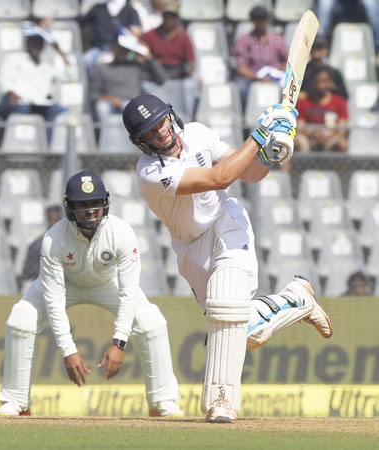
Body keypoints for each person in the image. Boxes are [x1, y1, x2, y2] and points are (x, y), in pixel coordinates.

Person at [121, 94, 333, 423]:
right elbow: (218, 177)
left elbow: (248, 174)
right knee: (240, 332)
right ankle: (295, 299)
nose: (160, 132)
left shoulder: (197, 133)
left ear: (170, 115)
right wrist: (260, 134)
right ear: (140, 142)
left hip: (225, 222)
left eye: (161, 122)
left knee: (226, 306)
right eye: (149, 132)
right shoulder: (150, 172)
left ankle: (222, 401)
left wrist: (271, 151)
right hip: (190, 247)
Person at [0, 171, 184, 418]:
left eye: (95, 203)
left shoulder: (122, 233)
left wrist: (119, 342)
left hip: (107, 282)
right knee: (20, 319)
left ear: (104, 203)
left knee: (152, 321)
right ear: (69, 206)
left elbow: (129, 292)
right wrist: (68, 350)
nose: (90, 210)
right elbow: (54, 300)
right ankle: (17, 402)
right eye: (82, 204)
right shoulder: (54, 239)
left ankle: (163, 401)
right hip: (64, 283)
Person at [0, 24, 74, 125]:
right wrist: (11, 93)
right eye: (33, 42)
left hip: (37, 105)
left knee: (57, 111)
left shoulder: (47, 66)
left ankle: (45, 141)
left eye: (39, 43)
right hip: (12, 102)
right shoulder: (13, 58)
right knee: (22, 109)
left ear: (43, 46)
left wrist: (61, 53)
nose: (35, 46)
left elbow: (71, 77)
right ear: (27, 43)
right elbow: (4, 82)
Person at [90, 32, 165, 124]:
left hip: (133, 105)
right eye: (120, 47)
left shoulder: (136, 67)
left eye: (125, 48)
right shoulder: (102, 68)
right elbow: (93, 95)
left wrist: (149, 57)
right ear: (113, 47)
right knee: (102, 107)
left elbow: (161, 80)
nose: (122, 51)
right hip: (111, 105)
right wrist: (110, 99)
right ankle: (105, 137)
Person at [139, 1, 196, 116]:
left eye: (172, 16)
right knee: (144, 85)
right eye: (166, 16)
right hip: (155, 75)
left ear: (177, 18)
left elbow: (191, 61)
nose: (169, 19)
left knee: (190, 85)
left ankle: (188, 117)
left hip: (177, 75)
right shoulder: (150, 35)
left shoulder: (183, 36)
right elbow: (139, 56)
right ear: (162, 16)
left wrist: (186, 73)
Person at [231, 6, 288, 106]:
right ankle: (246, 113)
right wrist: (260, 78)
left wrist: (281, 74)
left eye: (264, 20)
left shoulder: (277, 38)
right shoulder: (244, 40)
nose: (262, 24)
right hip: (254, 76)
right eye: (259, 21)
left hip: (276, 74)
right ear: (253, 21)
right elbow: (241, 68)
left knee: (289, 85)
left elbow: (286, 60)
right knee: (241, 86)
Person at [296, 66, 349, 153]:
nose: (320, 85)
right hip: (308, 138)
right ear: (312, 83)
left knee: (342, 145)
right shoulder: (303, 102)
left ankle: (341, 167)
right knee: (292, 143)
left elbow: (342, 129)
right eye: (317, 82)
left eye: (324, 81)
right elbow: (300, 127)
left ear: (330, 83)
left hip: (331, 138)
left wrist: (328, 135)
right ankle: (291, 167)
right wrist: (312, 134)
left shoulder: (340, 102)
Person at [20, 205, 62, 285]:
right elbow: (28, 273)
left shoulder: (73, 243)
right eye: (51, 219)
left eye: (58, 220)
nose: (55, 223)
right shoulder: (37, 246)